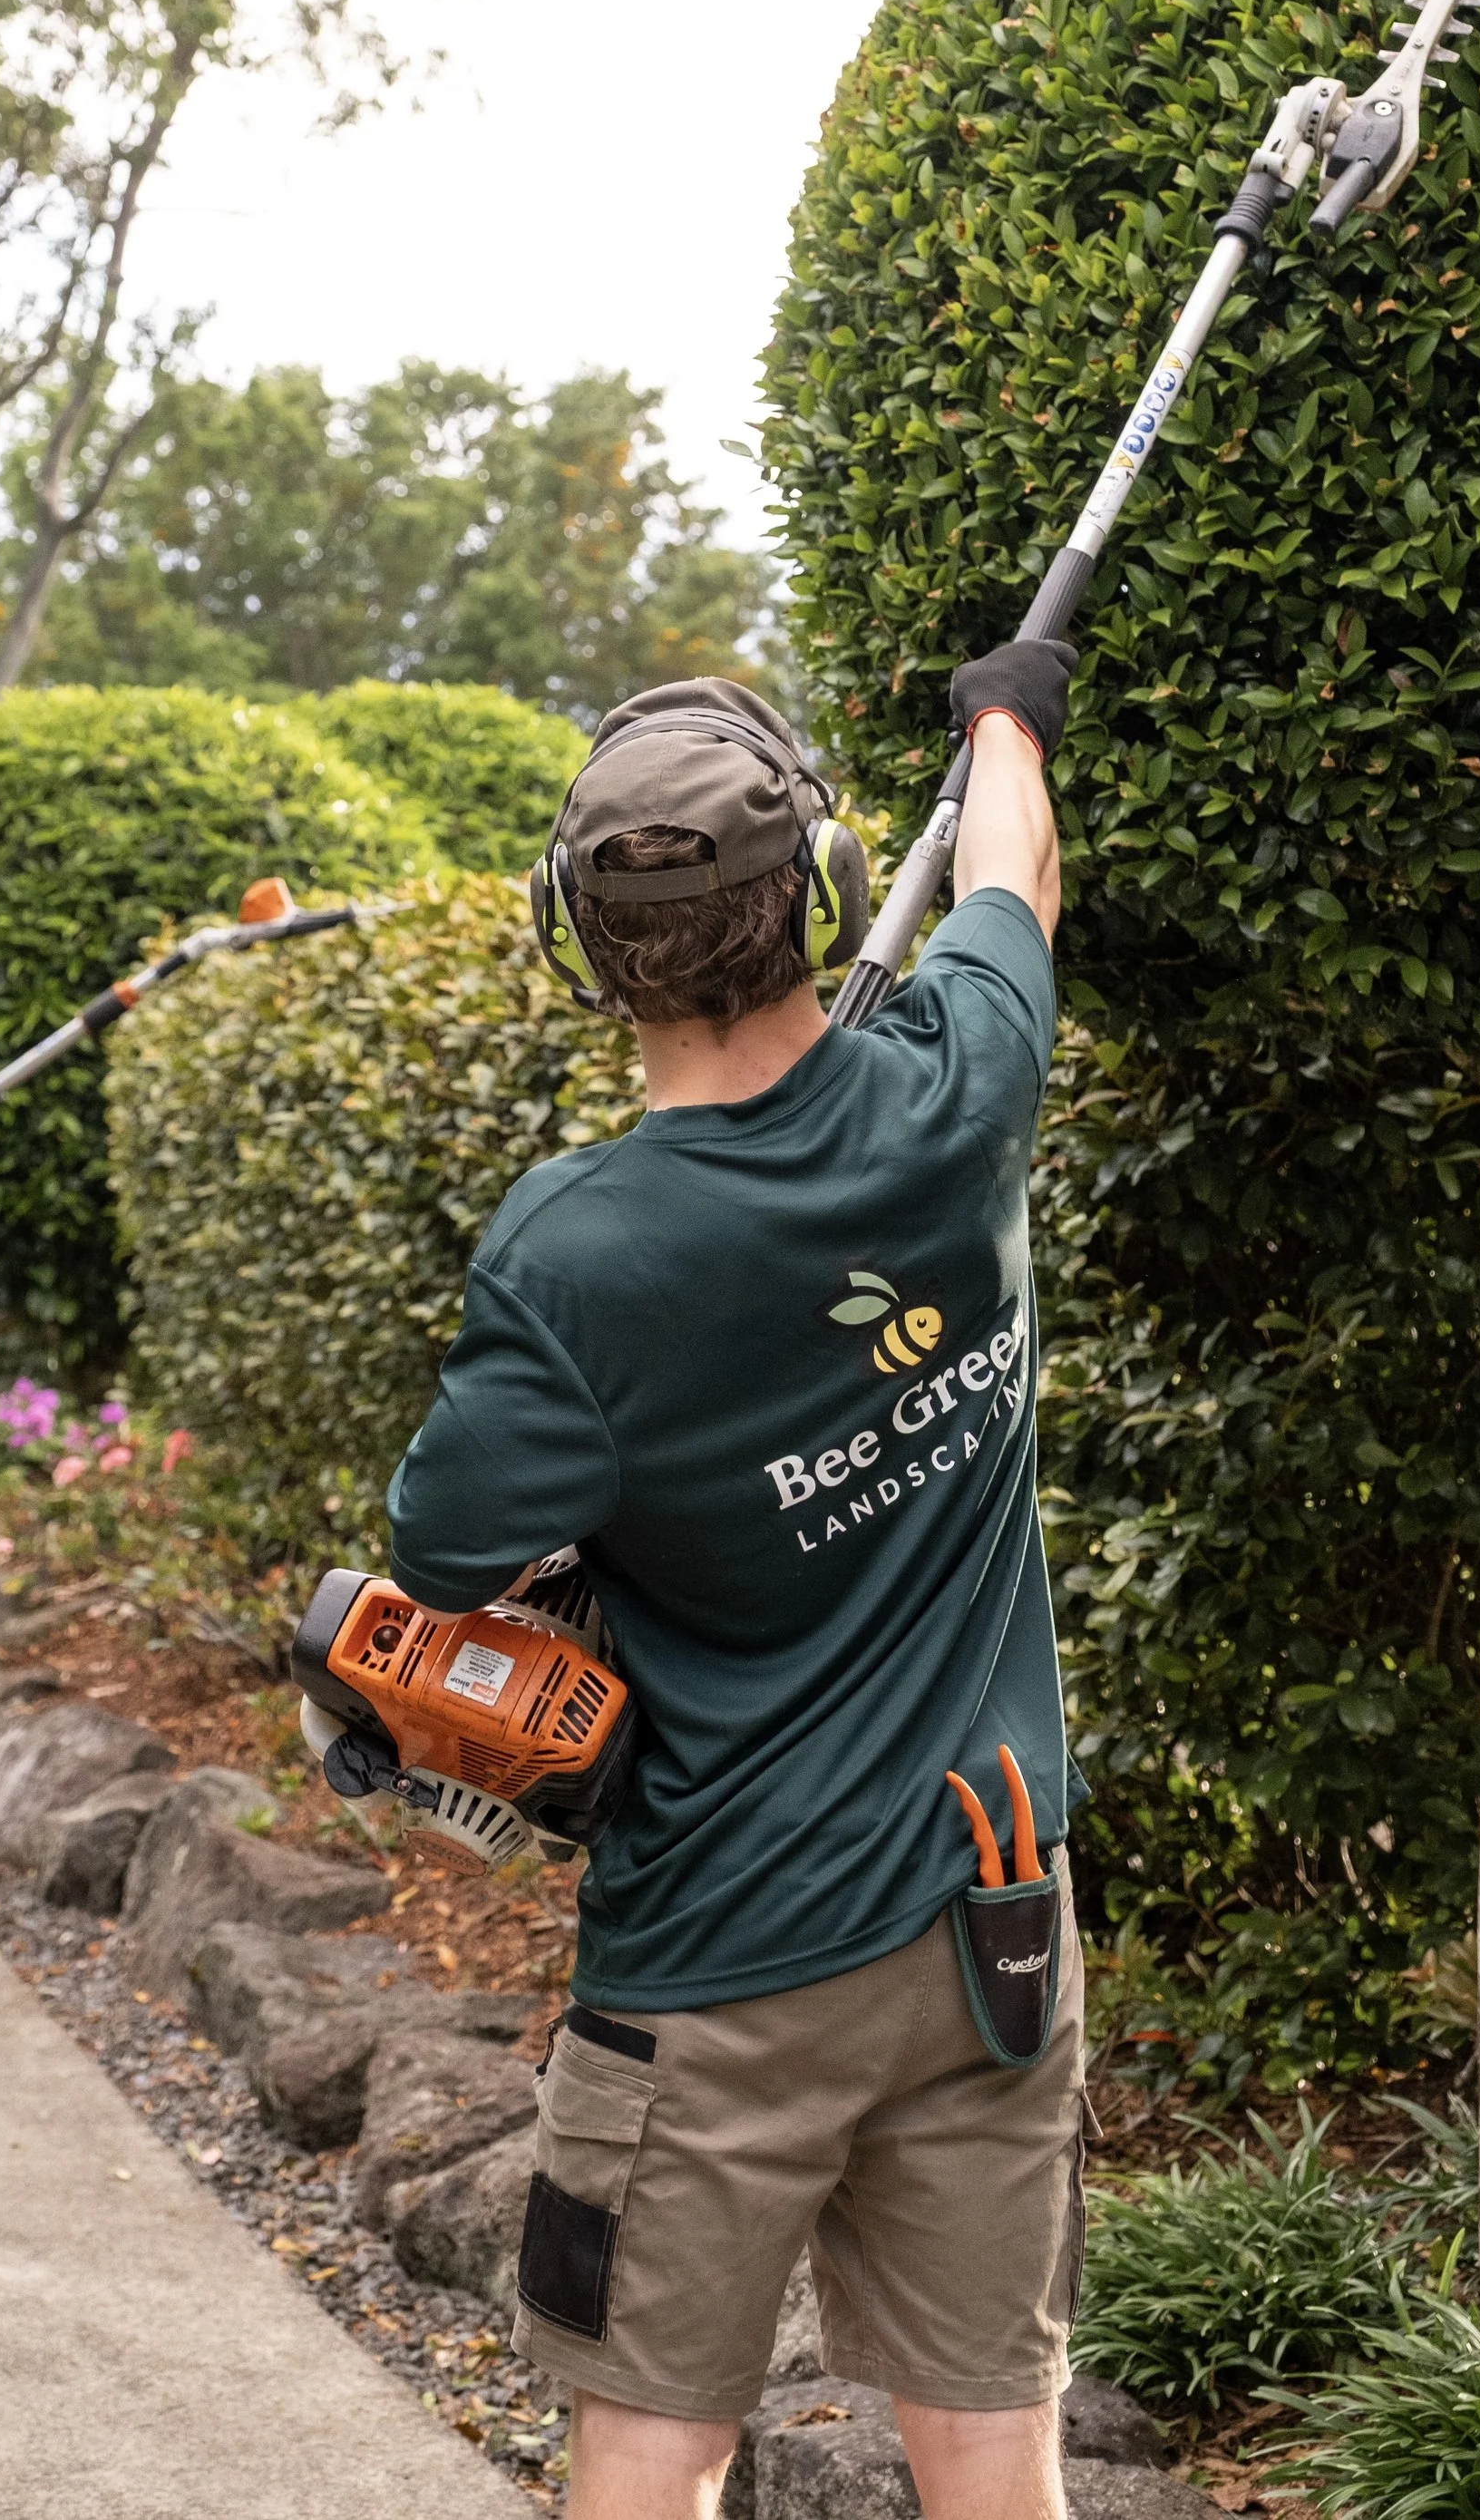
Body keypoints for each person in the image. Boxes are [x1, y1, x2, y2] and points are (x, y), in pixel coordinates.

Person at [386, 654, 1082, 2520]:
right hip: (986, 1926)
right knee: (993, 2455)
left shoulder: (572, 1254)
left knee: (650, 2446)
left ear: (575, 944)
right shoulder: (958, 1085)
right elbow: (1008, 871)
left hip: (714, 1969)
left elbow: (442, 1564)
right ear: (835, 893)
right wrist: (1005, 716)